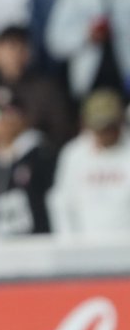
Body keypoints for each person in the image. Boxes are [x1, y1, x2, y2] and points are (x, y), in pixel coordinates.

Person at [49, 89, 130, 236]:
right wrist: (69, 243)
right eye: (99, 128)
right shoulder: (74, 153)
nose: (104, 133)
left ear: (120, 122)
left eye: (109, 127)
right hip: (85, 246)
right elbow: (62, 203)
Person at [0, 86, 54, 236]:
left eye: (9, 111)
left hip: (37, 244)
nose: (2, 120)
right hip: (3, 246)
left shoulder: (40, 155)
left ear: (23, 116)